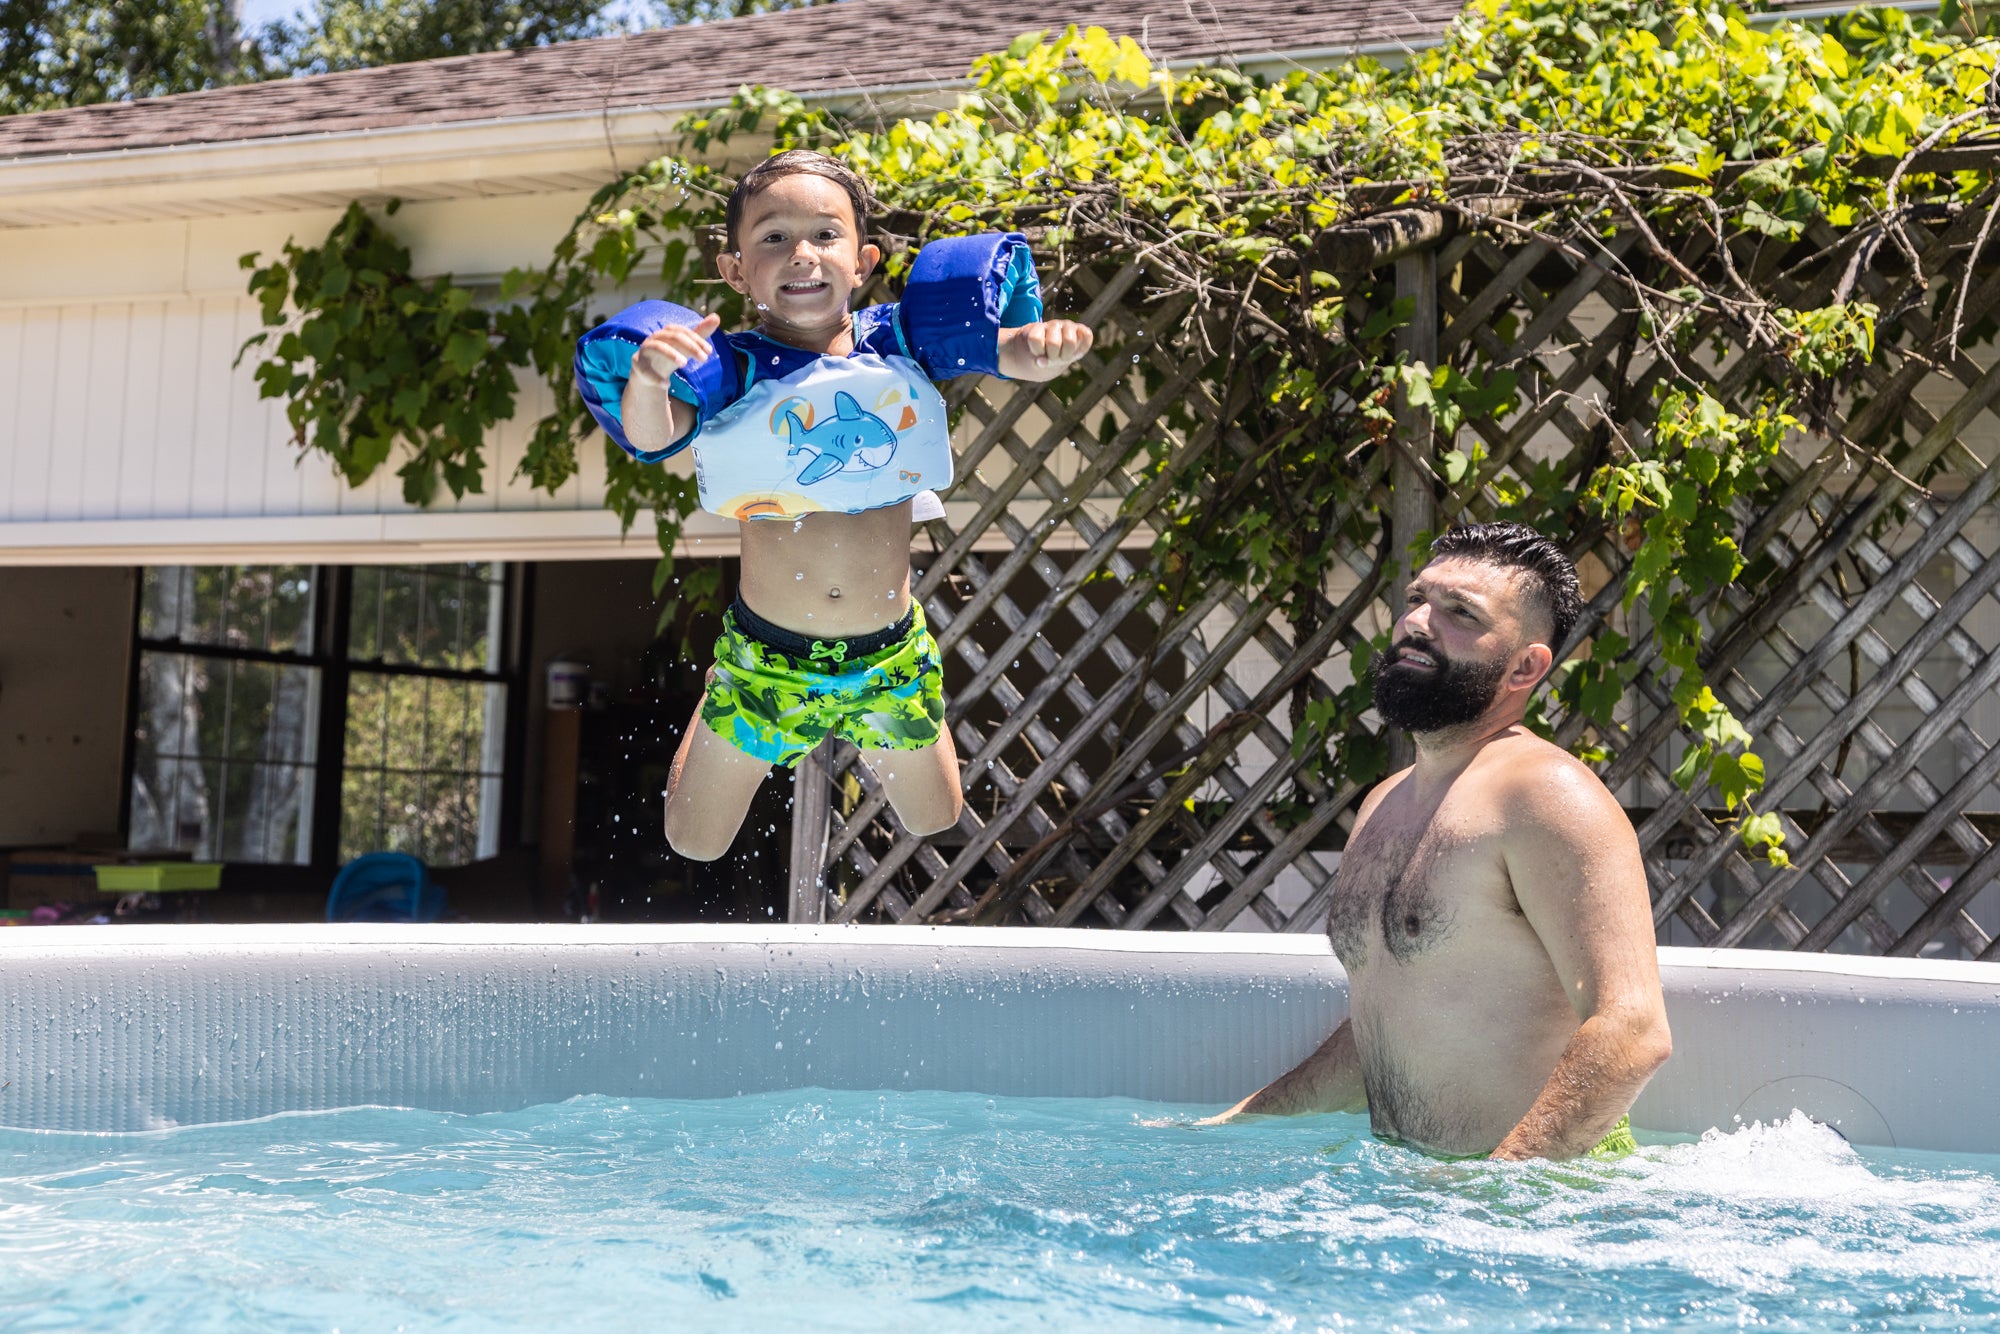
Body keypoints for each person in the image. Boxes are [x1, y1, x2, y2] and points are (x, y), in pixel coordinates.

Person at [572, 150, 1092, 860]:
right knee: (692, 840)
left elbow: (1007, 353)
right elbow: (651, 437)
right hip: (769, 658)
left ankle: (889, 701)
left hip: (886, 655)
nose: (801, 256)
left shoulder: (901, 344)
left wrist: (1039, 345)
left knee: (935, 817)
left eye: (825, 235)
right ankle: (724, 696)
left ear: (864, 259)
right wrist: (651, 376)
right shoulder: (733, 371)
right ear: (734, 271)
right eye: (773, 238)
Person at [1209, 522, 1671, 1160]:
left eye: (1460, 613)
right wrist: (1237, 1124)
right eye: (1417, 600)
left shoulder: (1546, 794)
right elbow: (1389, 1027)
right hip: (1422, 1198)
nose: (1418, 623)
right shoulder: (1385, 803)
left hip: (1548, 1206)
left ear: (1525, 665)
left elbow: (1634, 1030)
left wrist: (1495, 1191)